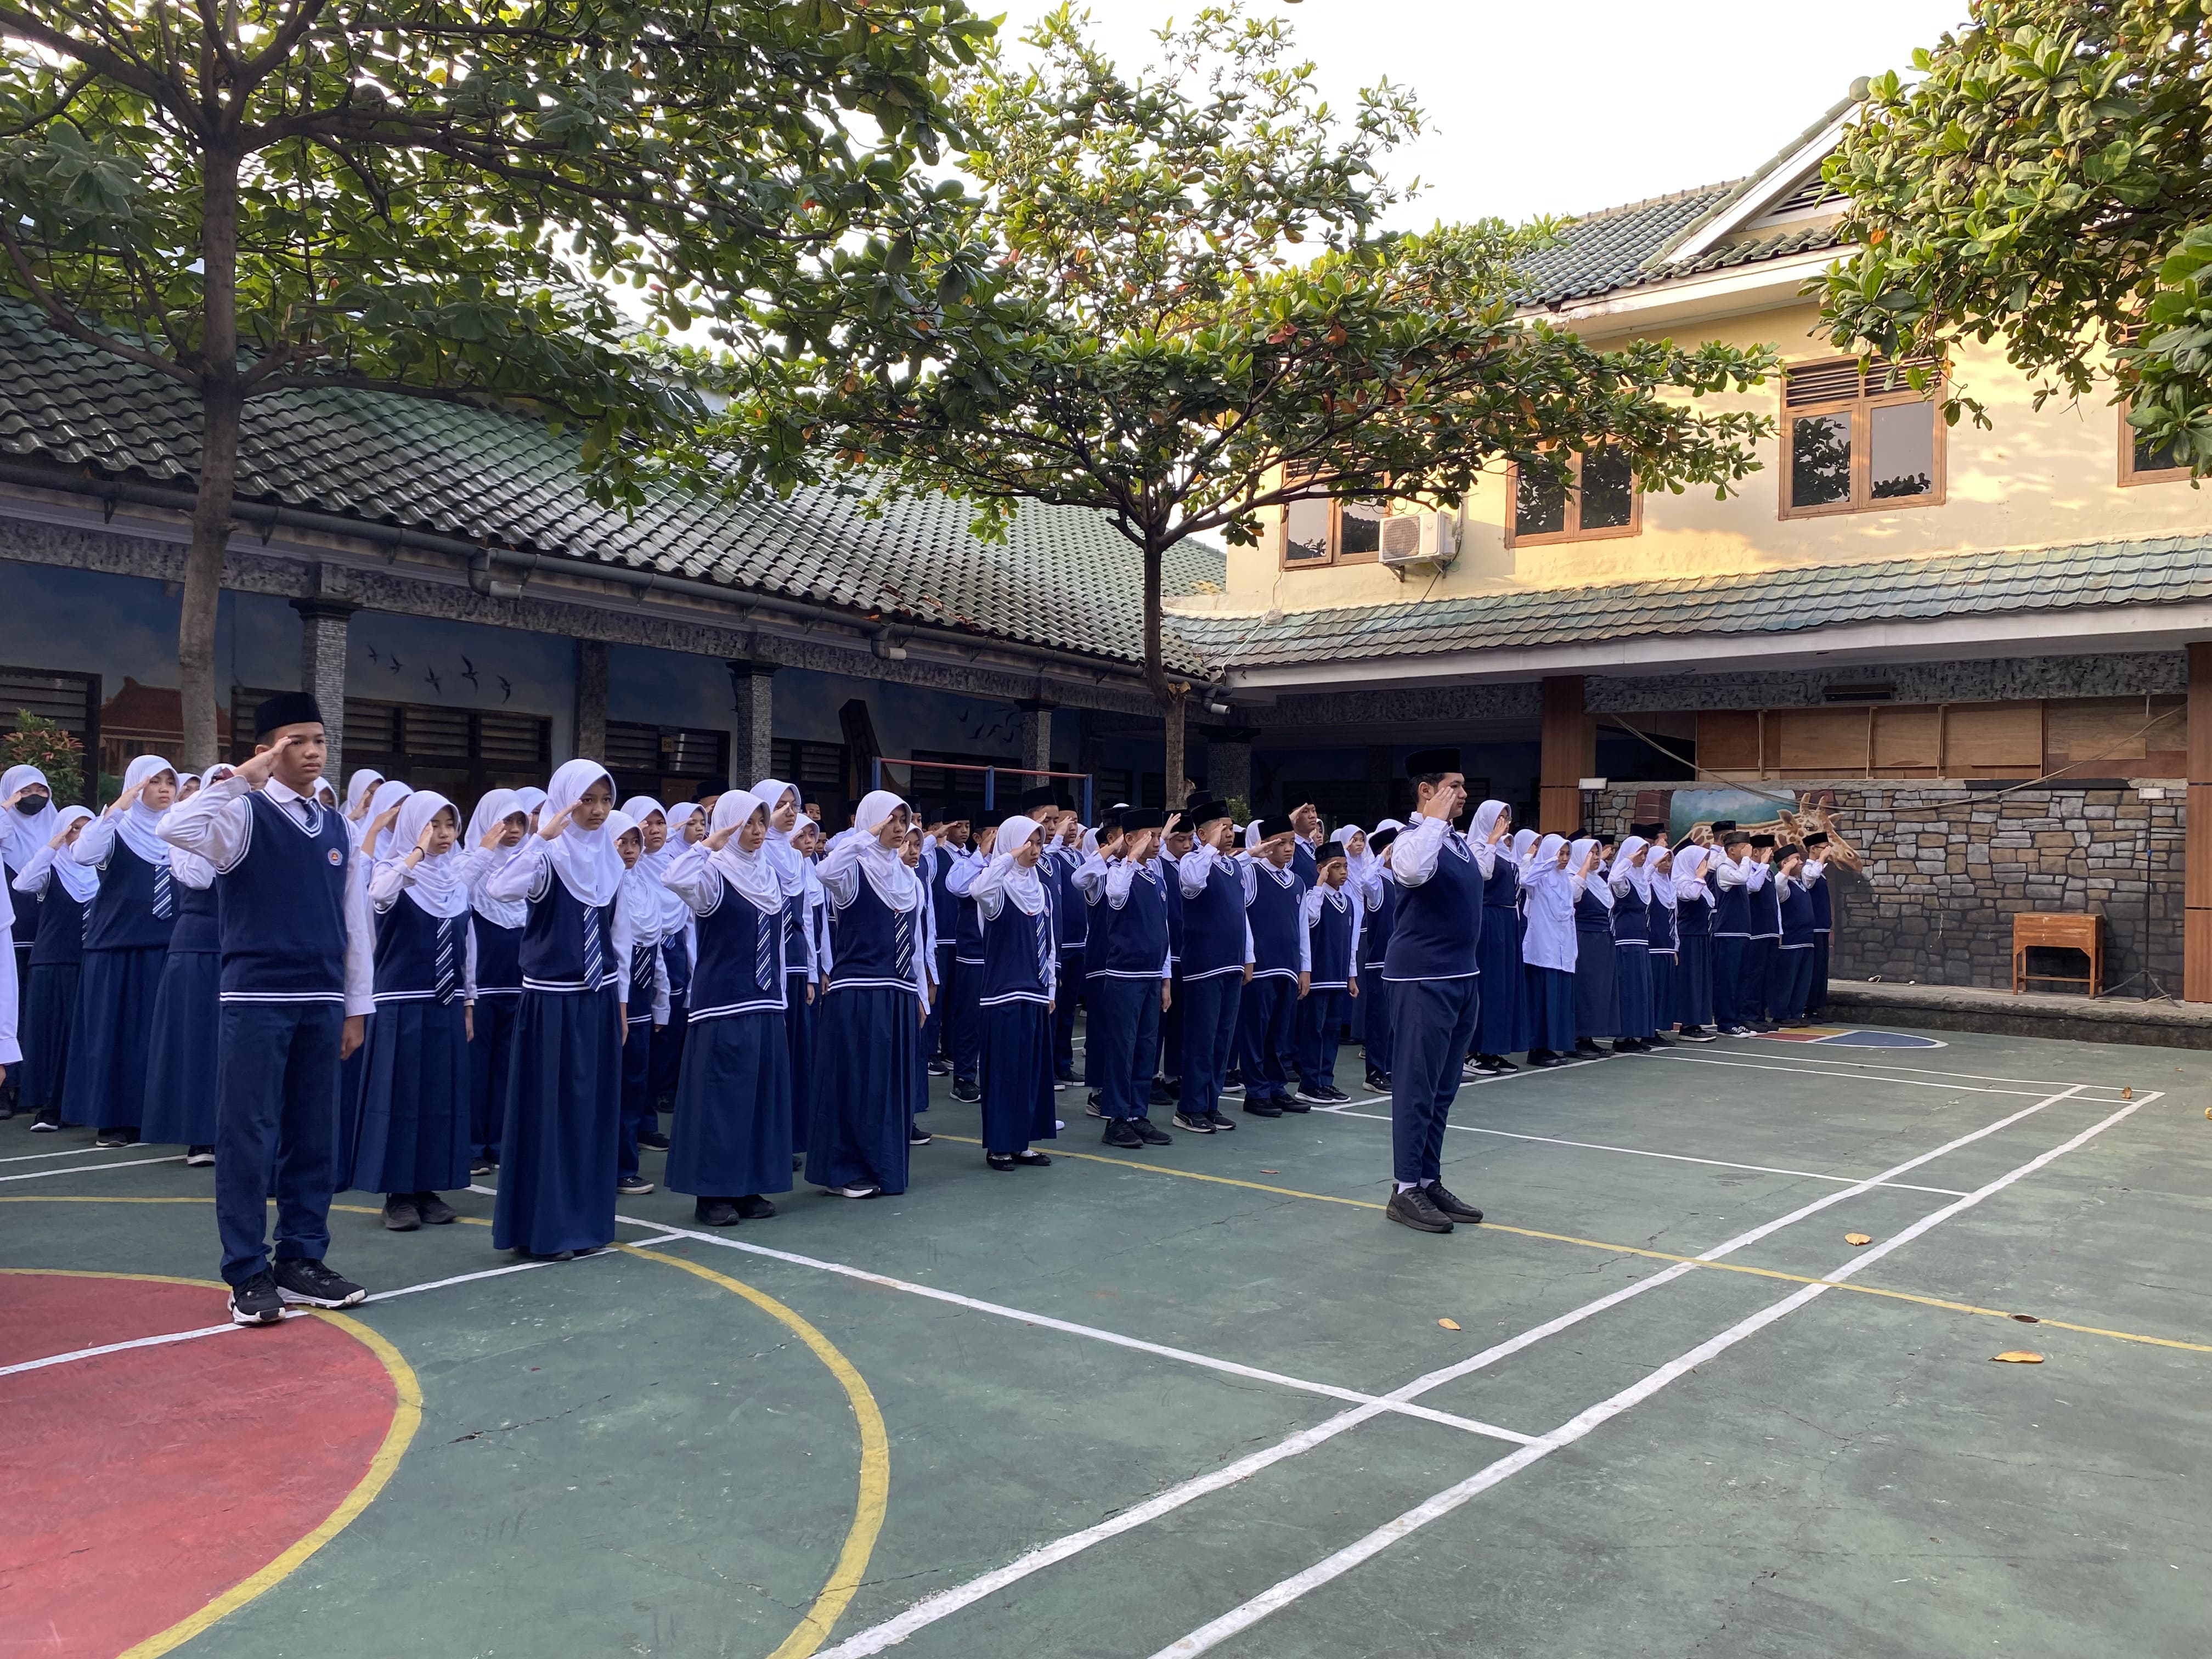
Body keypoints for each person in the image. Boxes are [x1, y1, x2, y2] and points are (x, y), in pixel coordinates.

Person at [158, 693, 374, 1324]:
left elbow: (355, 922)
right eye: (295, 742)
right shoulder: (242, 815)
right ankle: (247, 1272)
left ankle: (302, 1260)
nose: (312, 753)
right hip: (256, 997)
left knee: (314, 1134)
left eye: (319, 741)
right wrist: (240, 778)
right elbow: (176, 829)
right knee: (247, 1135)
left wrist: (356, 1006)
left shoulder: (337, 826)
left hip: (322, 998)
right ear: (266, 750)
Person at [479, 758, 629, 1260]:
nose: (596, 810)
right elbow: (498, 888)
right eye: (585, 799)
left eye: (605, 800)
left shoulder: (608, 860)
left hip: (599, 1000)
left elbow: (620, 937)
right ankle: (546, 1228)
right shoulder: (547, 858)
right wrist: (540, 838)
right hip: (553, 1004)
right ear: (564, 799)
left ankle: (585, 1225)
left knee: (590, 1114)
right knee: (552, 1113)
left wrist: (623, 1002)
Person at [661, 788, 793, 1224]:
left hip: (766, 1001)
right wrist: (708, 845)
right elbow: (674, 879)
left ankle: (749, 1184)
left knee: (758, 1097)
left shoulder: (768, 874)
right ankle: (713, 1192)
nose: (756, 833)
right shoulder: (713, 872)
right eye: (747, 824)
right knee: (722, 1099)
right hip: (723, 1004)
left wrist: (782, 998)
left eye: (760, 823)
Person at [1378, 751, 1489, 1235]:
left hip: (1462, 976)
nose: (1464, 794)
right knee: (1416, 1088)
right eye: (1454, 785)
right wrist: (1432, 821)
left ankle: (1428, 1178)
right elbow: (1413, 874)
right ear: (1426, 790)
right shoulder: (1411, 840)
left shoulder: (1458, 843)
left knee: (1444, 1089)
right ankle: (1405, 1190)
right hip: (1421, 977)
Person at [354, 790, 475, 1231]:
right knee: (400, 1096)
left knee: (438, 1096)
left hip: (445, 1002)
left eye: (449, 825)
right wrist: (417, 853)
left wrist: (468, 1001)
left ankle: (428, 1186)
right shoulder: (393, 870)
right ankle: (398, 1194)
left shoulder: (456, 882)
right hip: (401, 1001)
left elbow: (467, 947)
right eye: (434, 825)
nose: (444, 834)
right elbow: (379, 894)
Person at [806, 789, 931, 1198]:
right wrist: (865, 835)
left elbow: (914, 940)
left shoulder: (909, 878)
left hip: (896, 994)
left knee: (887, 1085)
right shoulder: (851, 867)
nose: (898, 829)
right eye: (891, 820)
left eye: (903, 820)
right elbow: (823, 874)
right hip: (857, 991)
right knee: (855, 1081)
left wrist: (920, 995)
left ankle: (882, 1165)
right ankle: (843, 1171)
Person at [64, 753, 181, 1146]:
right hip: (115, 948)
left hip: (165, 948)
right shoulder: (114, 830)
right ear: (136, 785)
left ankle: (154, 1117)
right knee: (113, 1039)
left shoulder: (178, 830)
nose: (164, 789)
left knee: (155, 1039)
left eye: (169, 781)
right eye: (154, 781)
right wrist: (114, 811)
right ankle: (113, 1121)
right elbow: (82, 855)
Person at [140, 763, 237, 1164]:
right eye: (216, 785)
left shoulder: (247, 830)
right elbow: (198, 878)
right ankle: (201, 1135)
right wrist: (210, 814)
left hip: (241, 943)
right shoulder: (182, 837)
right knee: (199, 1040)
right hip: (198, 946)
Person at [1075, 806, 1174, 1149]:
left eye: (1160, 836)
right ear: (1131, 839)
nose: (1158, 842)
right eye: (1152, 836)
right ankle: (1116, 1118)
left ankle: (1137, 1113)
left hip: (1150, 976)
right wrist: (1126, 856)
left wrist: (1166, 979)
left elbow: (1163, 932)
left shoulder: (1157, 879)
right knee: (1122, 1046)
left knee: (1146, 1048)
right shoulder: (1114, 875)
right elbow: (1114, 895)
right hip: (1124, 975)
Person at [967, 812, 1058, 1171]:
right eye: (1027, 842)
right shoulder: (997, 888)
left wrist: (1049, 986)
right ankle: (1000, 1146)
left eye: (1038, 842)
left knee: (1031, 1072)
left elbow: (1048, 944)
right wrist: (1006, 856)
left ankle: (1022, 1142)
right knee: (1004, 1071)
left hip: (1034, 993)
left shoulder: (1041, 889)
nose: (1034, 850)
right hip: (1003, 994)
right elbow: (978, 890)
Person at [1170, 799, 1249, 1136]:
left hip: (1231, 963)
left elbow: (1241, 916)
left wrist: (1249, 957)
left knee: (1222, 1038)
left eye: (1231, 828)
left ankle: (1211, 1103)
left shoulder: (1234, 868)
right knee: (1201, 1038)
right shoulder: (1192, 861)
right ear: (1202, 833)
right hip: (1205, 964)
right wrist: (1208, 849)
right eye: (1222, 828)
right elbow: (1191, 884)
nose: (1229, 834)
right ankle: (1189, 1107)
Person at [461, 789, 529, 1175]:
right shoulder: (468, 865)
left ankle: (501, 1141)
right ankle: (471, 1145)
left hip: (517, 986)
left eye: (520, 822)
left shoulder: (527, 866)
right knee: (476, 1068)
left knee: (508, 1067)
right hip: (480, 987)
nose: (515, 831)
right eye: (506, 822)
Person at [752, 777, 819, 1166]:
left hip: (794, 966)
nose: (790, 811)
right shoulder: (754, 853)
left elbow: (806, 918)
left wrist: (811, 971)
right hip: (765, 971)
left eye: (793, 803)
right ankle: (771, 1140)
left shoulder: (796, 857)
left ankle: (794, 1138)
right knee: (772, 1057)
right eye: (779, 804)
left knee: (797, 1056)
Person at [12, 805, 92, 1131]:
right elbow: (22, 884)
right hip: (53, 961)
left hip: (90, 961)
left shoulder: (100, 868)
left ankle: (80, 1104)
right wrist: (54, 844)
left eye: (86, 829)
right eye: (73, 829)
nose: (79, 837)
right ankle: (49, 1106)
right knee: (51, 1036)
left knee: (82, 1037)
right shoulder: (51, 870)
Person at [607, 809, 670, 1199]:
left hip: (643, 1001)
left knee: (634, 1086)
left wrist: (661, 1003)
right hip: (615, 1002)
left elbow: (655, 947)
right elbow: (617, 953)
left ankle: (623, 1166)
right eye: (622, 842)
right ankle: (607, 1165)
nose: (630, 851)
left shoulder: (643, 885)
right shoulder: (597, 886)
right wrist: (622, 1004)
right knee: (609, 1087)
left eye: (635, 842)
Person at [1235, 816, 1306, 1119]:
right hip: (1260, 967)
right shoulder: (1252, 875)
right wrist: (1253, 854)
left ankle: (1277, 1087)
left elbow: (1302, 928)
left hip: (1288, 968)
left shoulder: (1298, 883)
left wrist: (1306, 968)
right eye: (1282, 843)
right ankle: (1256, 1091)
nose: (1289, 849)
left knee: (1280, 1033)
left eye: (1291, 843)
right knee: (1255, 1031)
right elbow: (1229, 870)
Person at [0, 764, 53, 1119]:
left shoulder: (57, 827)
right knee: (8, 1013)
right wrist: (6, 805)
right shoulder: (5, 832)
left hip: (48, 939)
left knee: (39, 1013)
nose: (34, 797)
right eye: (25, 791)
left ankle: (33, 1087)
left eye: (41, 790)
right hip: (11, 939)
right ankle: (5, 1088)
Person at [1293, 843, 1361, 1104]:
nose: (1343, 872)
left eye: (1345, 867)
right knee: (1314, 1030)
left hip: (1338, 977)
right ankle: (1309, 1084)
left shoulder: (1348, 902)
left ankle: (1326, 1080)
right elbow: (1310, 917)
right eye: (1336, 867)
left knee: (1332, 1030)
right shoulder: (1315, 897)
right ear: (1321, 869)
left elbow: (1351, 942)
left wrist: (1351, 976)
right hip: (1318, 977)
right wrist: (1320, 883)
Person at [1468, 799, 1520, 1074]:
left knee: (1503, 984)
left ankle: (1495, 1048)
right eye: (1499, 817)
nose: (1504, 822)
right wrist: (1492, 840)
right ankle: (1474, 1050)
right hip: (1488, 920)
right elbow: (1483, 874)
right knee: (1487, 983)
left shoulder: (1505, 851)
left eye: (1506, 818)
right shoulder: (1477, 846)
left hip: (1507, 920)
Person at [1519, 834, 1579, 1068]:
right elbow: (1526, 880)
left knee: (1559, 999)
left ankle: (1553, 1044)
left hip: (1563, 948)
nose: (1563, 859)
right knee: (1543, 1000)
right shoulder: (1540, 877)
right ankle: (1537, 1049)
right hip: (1543, 949)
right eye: (1560, 854)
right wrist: (1548, 861)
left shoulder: (1565, 879)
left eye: (1566, 855)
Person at [1356, 826, 1399, 1092]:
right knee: (1380, 1021)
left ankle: (1393, 1068)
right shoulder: (1379, 883)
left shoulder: (1401, 881)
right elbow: (1365, 881)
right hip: (1380, 962)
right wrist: (1380, 858)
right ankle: (1375, 1072)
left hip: (1400, 963)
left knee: (1397, 1022)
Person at [1048, 811, 1087, 1088]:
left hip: (1079, 943)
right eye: (1065, 822)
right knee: (1054, 1005)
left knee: (1069, 1010)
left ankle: (1063, 1062)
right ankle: (1049, 1064)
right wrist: (1058, 835)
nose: (1070, 827)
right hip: (1058, 945)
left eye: (1075, 822)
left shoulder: (1078, 857)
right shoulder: (1050, 857)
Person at [1570, 836, 1618, 1058]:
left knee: (1598, 989)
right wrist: (1583, 868)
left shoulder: (1598, 881)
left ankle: (1589, 1036)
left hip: (1602, 940)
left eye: (1598, 854)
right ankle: (1576, 1037)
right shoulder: (1574, 877)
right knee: (1585, 987)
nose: (1597, 858)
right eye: (1591, 854)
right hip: (1584, 939)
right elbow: (1574, 897)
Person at [1609, 836, 1656, 1054]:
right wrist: (1627, 859)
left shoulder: (1641, 881)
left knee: (1640, 990)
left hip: (1641, 942)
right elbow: (1614, 878)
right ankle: (1622, 1037)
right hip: (1626, 943)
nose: (1643, 858)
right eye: (1640, 853)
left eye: (1645, 853)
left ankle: (1634, 1034)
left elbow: (1649, 874)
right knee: (1628, 990)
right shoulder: (1625, 881)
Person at [1709, 831, 1756, 1037]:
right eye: (1744, 847)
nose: (1748, 851)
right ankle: (1726, 1022)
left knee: (1741, 978)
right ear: (1732, 850)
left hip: (1742, 932)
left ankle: (1737, 1018)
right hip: (1728, 933)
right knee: (1727, 979)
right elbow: (1743, 878)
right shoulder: (1725, 869)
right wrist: (1747, 859)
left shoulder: (1739, 868)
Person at [1770, 843, 1821, 1026]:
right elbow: (1777, 886)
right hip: (1791, 940)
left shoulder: (1800, 883)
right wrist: (1787, 869)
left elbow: (1813, 872)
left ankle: (1796, 1013)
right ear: (1786, 863)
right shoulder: (1784, 885)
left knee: (1802, 980)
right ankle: (1781, 1014)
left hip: (1806, 939)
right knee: (1787, 979)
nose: (1801, 862)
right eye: (1797, 859)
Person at [1737, 833, 1782, 1032]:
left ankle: (1760, 1014)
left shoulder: (1769, 873)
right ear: (1756, 852)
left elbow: (1775, 904)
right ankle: (1748, 1015)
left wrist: (1779, 930)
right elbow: (1752, 887)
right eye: (1767, 851)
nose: (1771, 855)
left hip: (1770, 931)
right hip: (1755, 932)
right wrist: (1762, 866)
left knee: (1767, 976)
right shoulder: (1749, 871)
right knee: (1753, 975)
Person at [1645, 842, 1680, 1048]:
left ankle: (1656, 1029)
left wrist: (1675, 946)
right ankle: (1647, 1029)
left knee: (1663, 991)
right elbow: (1643, 879)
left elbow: (1673, 918)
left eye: (1669, 860)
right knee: (1653, 989)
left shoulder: (1669, 886)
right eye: (1663, 860)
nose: (1667, 864)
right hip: (1653, 944)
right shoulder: (1649, 884)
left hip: (1667, 945)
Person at [1803, 831, 1835, 1018]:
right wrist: (1821, 859)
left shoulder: (1819, 871)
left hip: (1822, 926)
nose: (1827, 852)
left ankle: (1817, 1006)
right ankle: (1808, 1007)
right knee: (1814, 969)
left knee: (1822, 968)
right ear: (1813, 849)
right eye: (1824, 848)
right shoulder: (1809, 869)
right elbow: (1809, 880)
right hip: (1813, 927)